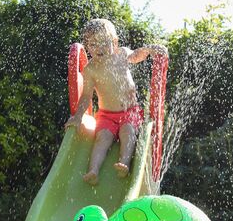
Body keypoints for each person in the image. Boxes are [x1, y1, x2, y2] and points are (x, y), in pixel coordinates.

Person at [65, 18, 168, 185]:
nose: (99, 48)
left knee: (128, 132)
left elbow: (136, 56)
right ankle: (93, 170)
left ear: (114, 41)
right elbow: (86, 97)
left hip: (129, 112)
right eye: (93, 44)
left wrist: (149, 49)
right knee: (102, 138)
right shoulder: (90, 69)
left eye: (103, 43)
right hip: (106, 116)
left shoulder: (121, 54)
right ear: (88, 46)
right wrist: (77, 116)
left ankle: (124, 163)